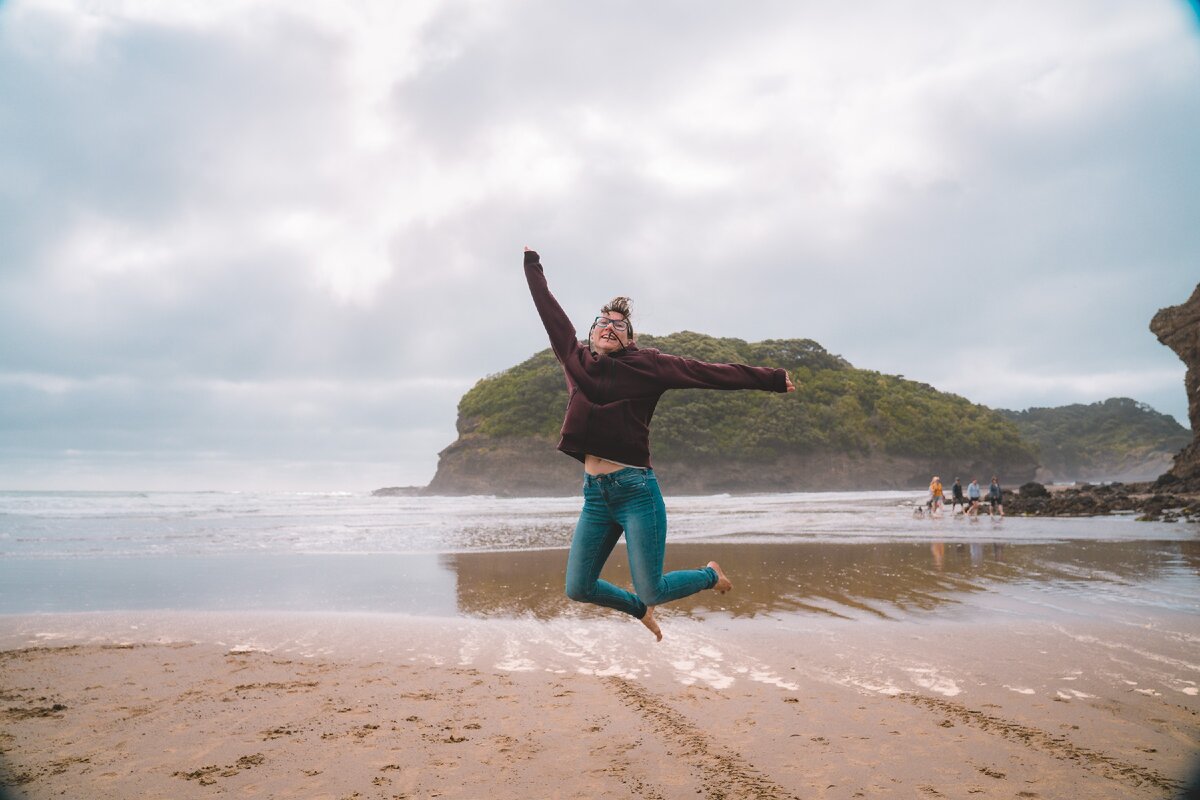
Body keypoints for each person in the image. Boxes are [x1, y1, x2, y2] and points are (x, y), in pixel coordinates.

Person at [523, 247, 795, 641]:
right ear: (591, 331)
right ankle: (640, 611)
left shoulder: (649, 366)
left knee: (652, 586)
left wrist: (769, 379)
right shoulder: (575, 361)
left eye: (619, 325)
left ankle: (709, 575)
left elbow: (709, 373)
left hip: (636, 492)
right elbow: (548, 311)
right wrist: (532, 265)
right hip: (596, 496)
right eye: (603, 322)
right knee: (578, 588)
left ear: (630, 339)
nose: (609, 327)